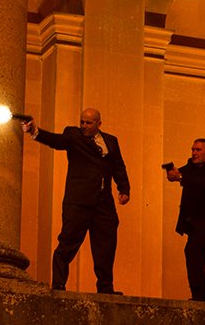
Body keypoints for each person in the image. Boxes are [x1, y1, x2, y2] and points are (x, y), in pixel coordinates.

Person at [23, 107, 129, 294]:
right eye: (82, 122)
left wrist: (124, 189)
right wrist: (35, 131)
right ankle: (58, 285)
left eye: (88, 123)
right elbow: (56, 140)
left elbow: (118, 166)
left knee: (106, 246)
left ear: (99, 124)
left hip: (103, 203)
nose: (84, 126)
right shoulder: (73, 135)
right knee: (68, 242)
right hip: (78, 201)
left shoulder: (111, 141)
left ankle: (105, 288)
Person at [165, 138, 205, 301]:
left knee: (193, 252)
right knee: (195, 255)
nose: (194, 153)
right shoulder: (191, 166)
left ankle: (199, 296)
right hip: (194, 225)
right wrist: (172, 174)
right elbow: (179, 175)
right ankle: (199, 295)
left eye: (198, 150)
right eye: (193, 150)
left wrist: (181, 177)